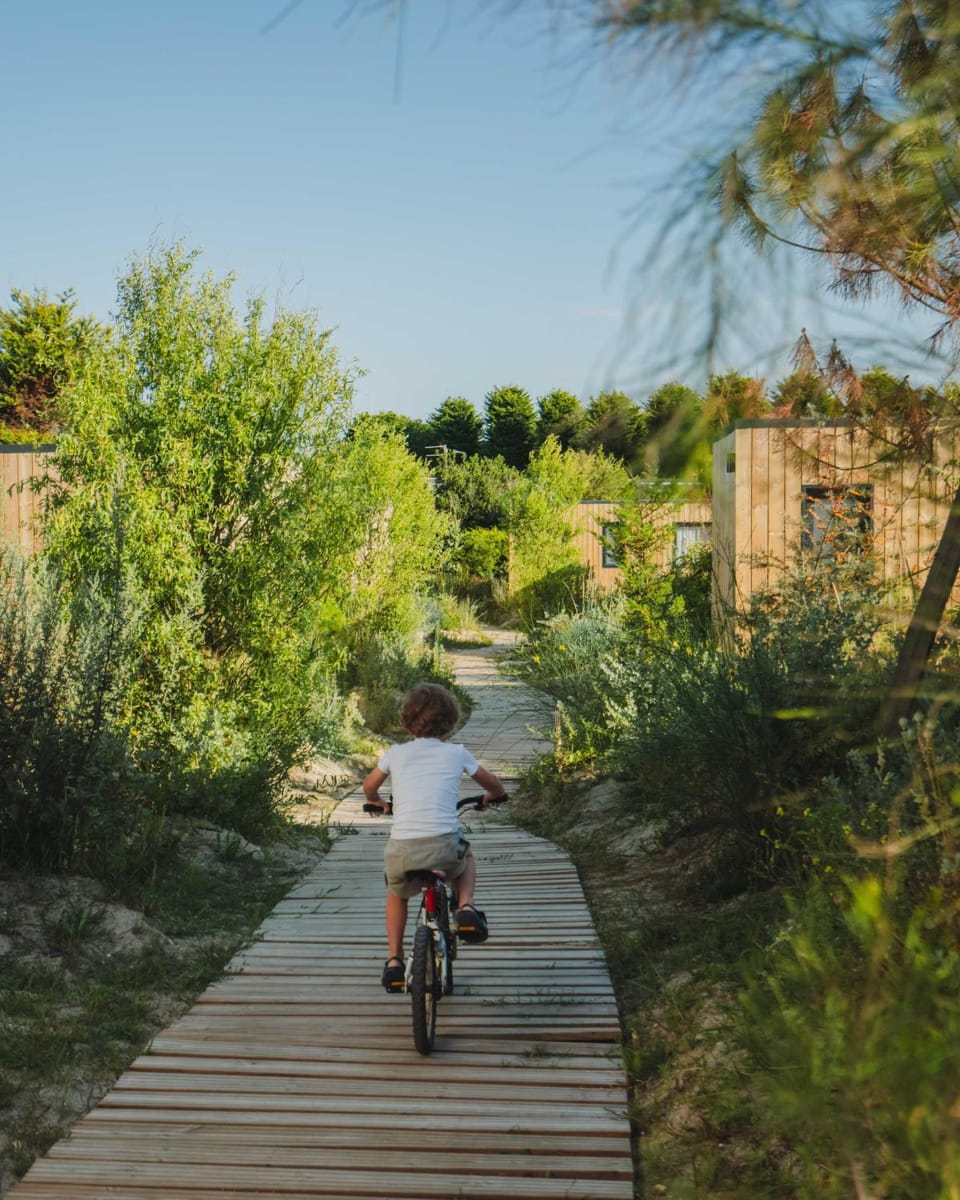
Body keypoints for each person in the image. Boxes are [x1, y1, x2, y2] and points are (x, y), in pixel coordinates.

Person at [362, 681, 506, 992]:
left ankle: (395, 962)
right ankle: (466, 907)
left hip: (402, 852)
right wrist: (493, 795)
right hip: (443, 845)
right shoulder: (457, 753)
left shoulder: (395, 753)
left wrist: (376, 800)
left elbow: (369, 785)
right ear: (450, 722)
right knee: (465, 856)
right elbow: (492, 782)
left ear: (407, 721)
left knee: (396, 892)